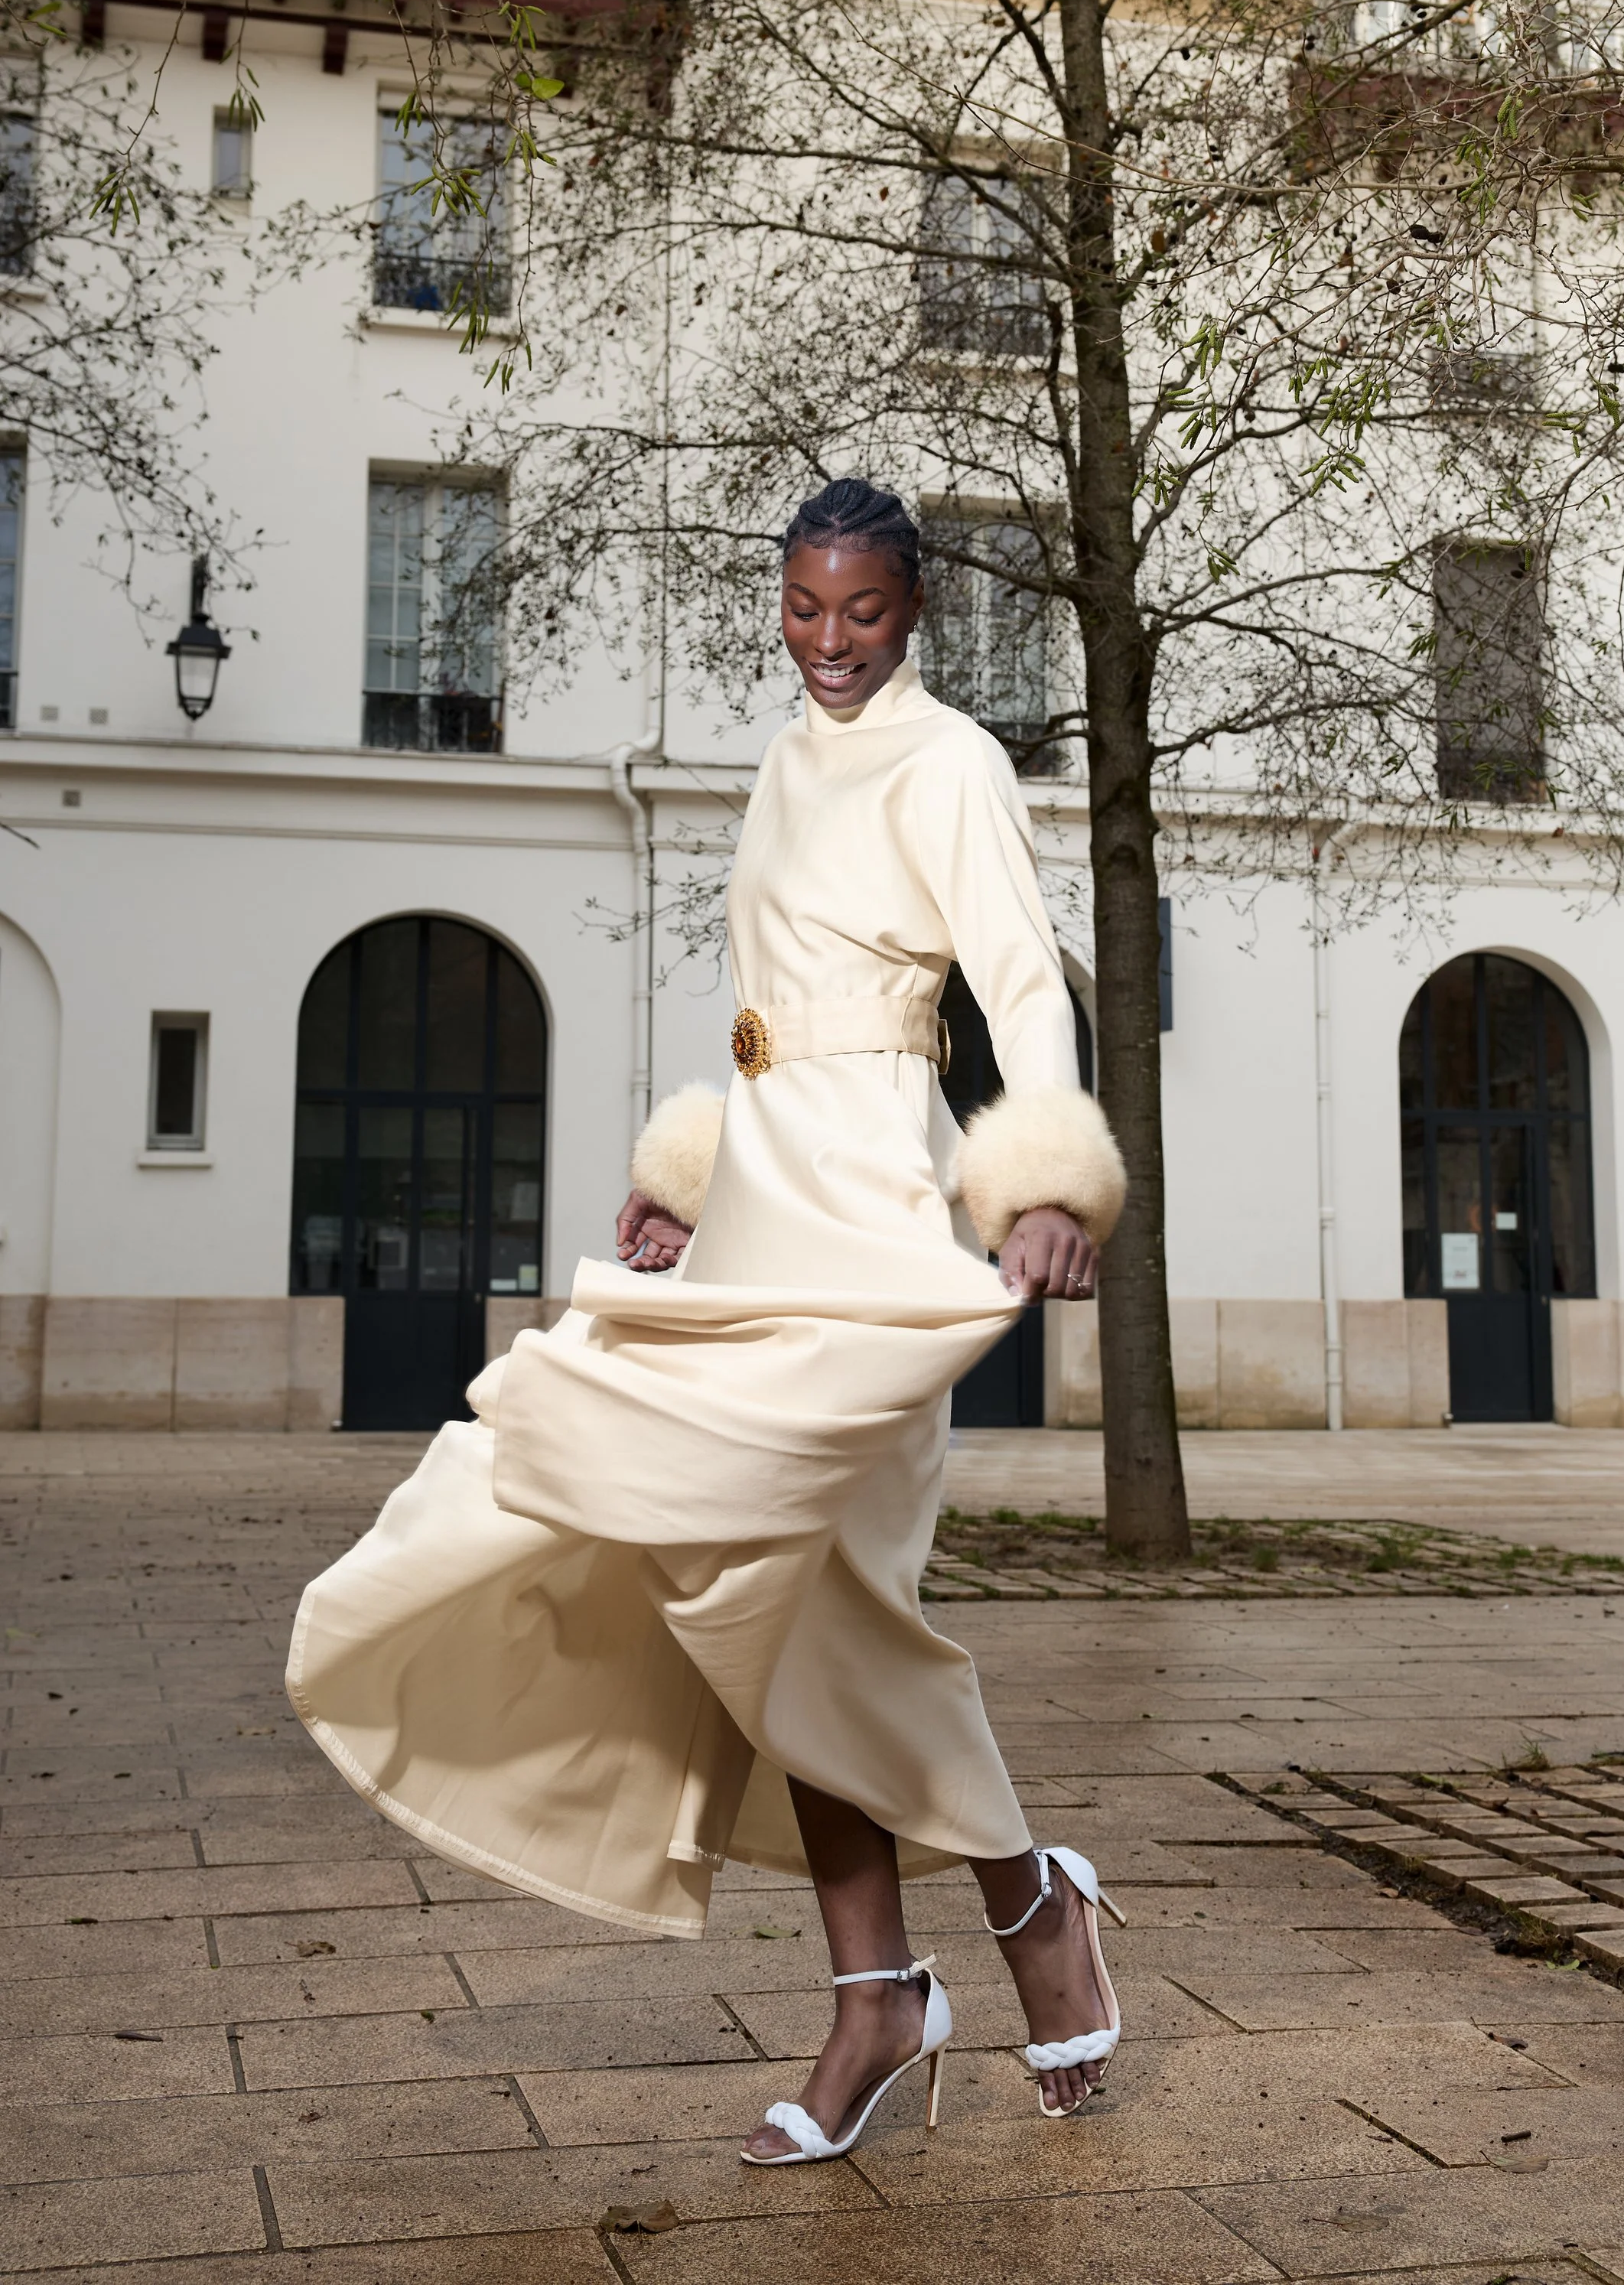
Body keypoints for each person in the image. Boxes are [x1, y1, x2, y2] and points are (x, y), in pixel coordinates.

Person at [287, 477, 1129, 2160]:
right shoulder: (777, 756)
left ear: (915, 612)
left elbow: (1023, 979)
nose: (828, 643)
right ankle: (881, 1990)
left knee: (830, 1599)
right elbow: (757, 1005)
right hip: (757, 1198)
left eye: (863, 614)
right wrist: (689, 1171)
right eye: (804, 609)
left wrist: (1044, 1177)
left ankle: (1026, 1907)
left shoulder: (946, 761)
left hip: (879, 1203)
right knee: (761, 1599)